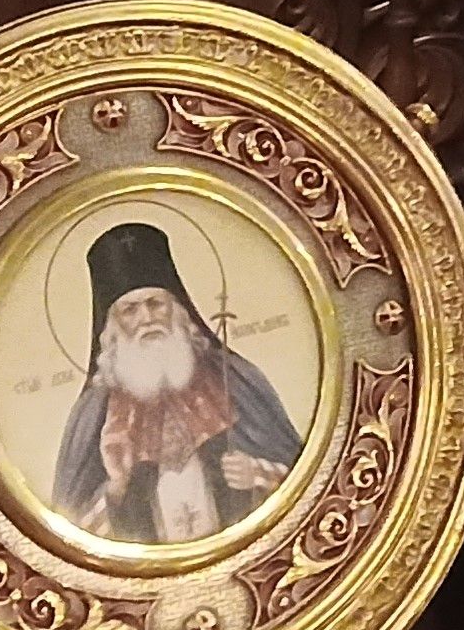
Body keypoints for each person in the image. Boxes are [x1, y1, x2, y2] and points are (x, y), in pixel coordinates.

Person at [49, 222, 305, 544]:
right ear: (111, 329)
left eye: (156, 304)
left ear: (179, 310)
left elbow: (304, 475)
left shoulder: (234, 379)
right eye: (130, 310)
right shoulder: (94, 413)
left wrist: (256, 472)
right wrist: (116, 488)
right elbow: (67, 535)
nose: (146, 318)